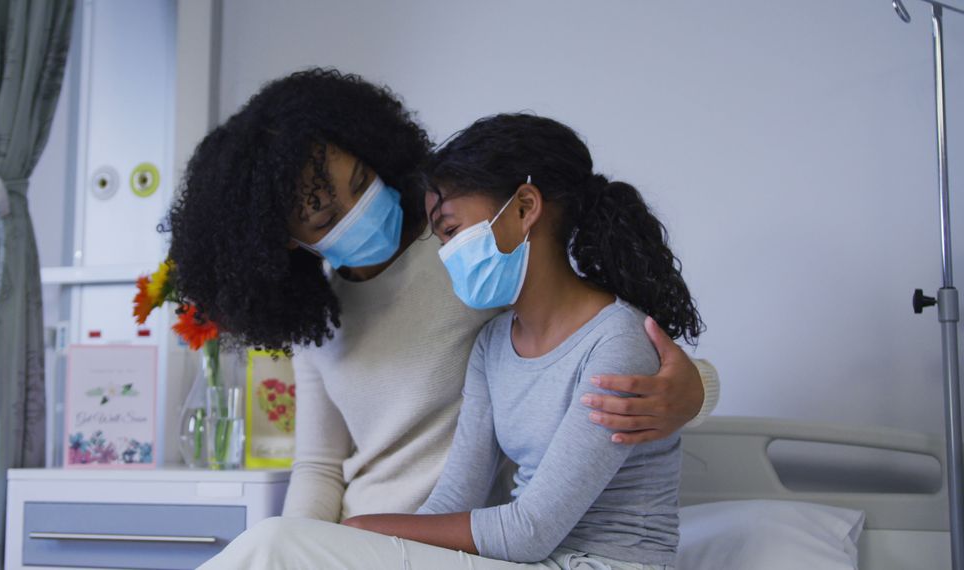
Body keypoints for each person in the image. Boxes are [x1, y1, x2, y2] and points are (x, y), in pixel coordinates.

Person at [168, 69, 718, 528]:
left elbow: (597, 341)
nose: (358, 209)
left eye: (361, 181)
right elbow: (319, 466)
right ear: (287, 242)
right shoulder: (320, 320)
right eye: (326, 217)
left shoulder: (473, 255)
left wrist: (697, 390)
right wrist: (306, 547)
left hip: (462, 536)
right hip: (363, 538)